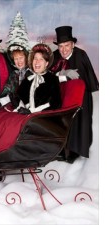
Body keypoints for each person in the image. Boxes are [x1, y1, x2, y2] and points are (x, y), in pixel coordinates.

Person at [0, 43, 62, 155]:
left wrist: (32, 111)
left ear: (46, 63)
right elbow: (18, 96)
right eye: (35, 59)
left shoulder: (52, 79)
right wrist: (19, 106)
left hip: (40, 117)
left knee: (9, 126)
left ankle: (1, 157)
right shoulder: (29, 78)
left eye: (41, 59)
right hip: (24, 113)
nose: (37, 62)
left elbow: (55, 103)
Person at [50, 26, 99, 163]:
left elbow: (87, 79)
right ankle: (60, 149)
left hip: (80, 98)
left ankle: (75, 151)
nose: (64, 49)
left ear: (72, 44)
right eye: (61, 46)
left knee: (78, 122)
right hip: (61, 96)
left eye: (67, 45)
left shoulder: (81, 55)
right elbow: (48, 78)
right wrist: (63, 76)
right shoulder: (55, 56)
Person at [1, 43, 30, 108]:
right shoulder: (14, 74)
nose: (19, 61)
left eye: (21, 58)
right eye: (16, 59)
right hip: (17, 105)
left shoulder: (31, 72)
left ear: (26, 57)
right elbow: (7, 88)